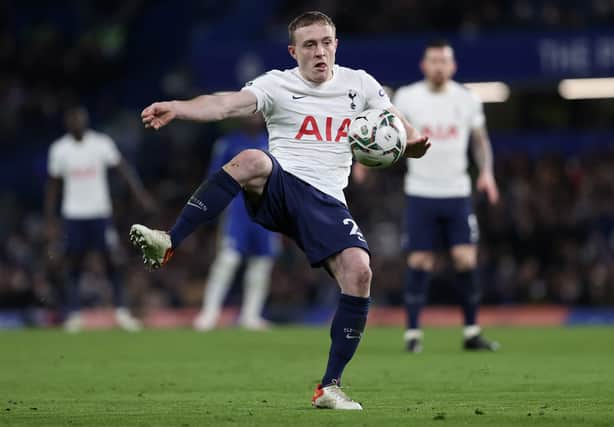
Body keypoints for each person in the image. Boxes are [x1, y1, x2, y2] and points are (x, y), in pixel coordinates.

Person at [129, 11, 429, 410]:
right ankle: (168, 240)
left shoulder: (361, 84)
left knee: (360, 272)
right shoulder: (277, 84)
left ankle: (329, 387)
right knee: (253, 158)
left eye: (326, 42)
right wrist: (179, 108)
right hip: (283, 184)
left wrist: (412, 140)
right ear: (294, 51)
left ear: (336, 45)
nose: (320, 51)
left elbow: (395, 123)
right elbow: (225, 104)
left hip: (327, 202)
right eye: (309, 44)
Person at [393, 40, 500, 353]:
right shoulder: (407, 97)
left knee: (465, 259)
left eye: (444, 61)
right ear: (423, 65)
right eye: (433, 60)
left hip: (456, 192)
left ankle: (471, 332)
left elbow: (480, 141)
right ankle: (412, 335)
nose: (439, 66)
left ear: (453, 67)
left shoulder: (467, 99)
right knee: (419, 260)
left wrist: (487, 173)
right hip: (420, 192)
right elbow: (390, 137)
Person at [45, 106, 155, 332]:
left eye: (80, 118)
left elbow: (123, 169)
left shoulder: (101, 144)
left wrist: (140, 195)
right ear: (68, 123)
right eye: (72, 119)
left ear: (86, 120)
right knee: (73, 263)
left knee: (113, 261)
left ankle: (121, 312)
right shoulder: (60, 149)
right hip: (73, 214)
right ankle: (74, 314)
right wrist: (50, 219)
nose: (77, 122)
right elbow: (53, 187)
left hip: (100, 213)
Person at [193, 114, 279, 331]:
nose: (253, 117)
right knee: (228, 260)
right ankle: (209, 314)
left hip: (266, 208)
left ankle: (251, 316)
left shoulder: (274, 142)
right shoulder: (228, 143)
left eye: (257, 113)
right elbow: (214, 178)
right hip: (237, 209)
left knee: (262, 262)